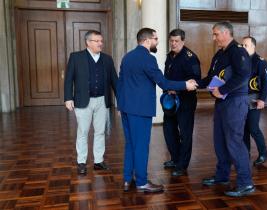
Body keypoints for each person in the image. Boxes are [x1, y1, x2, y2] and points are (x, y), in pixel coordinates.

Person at [117, 28, 197, 193]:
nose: (157, 42)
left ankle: (127, 179)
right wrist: (185, 85)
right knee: (141, 146)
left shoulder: (127, 57)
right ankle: (141, 182)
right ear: (147, 40)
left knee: (130, 144)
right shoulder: (148, 58)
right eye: (155, 39)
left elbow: (120, 84)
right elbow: (164, 83)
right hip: (140, 110)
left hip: (126, 108)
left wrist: (121, 106)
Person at [197, 22, 255, 197]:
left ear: (225, 33)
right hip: (222, 102)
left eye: (215, 34)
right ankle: (222, 176)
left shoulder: (238, 51)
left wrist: (222, 90)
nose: (214, 38)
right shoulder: (220, 54)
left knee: (234, 142)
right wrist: (193, 83)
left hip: (235, 102)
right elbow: (210, 78)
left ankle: (246, 183)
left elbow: (243, 75)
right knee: (220, 141)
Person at [64, 30, 118, 175]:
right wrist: (68, 98)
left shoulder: (107, 59)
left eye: (101, 41)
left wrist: (121, 99)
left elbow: (114, 80)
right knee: (83, 132)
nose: (101, 43)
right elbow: (69, 79)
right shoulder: (76, 57)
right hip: (83, 101)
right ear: (88, 42)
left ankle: (98, 161)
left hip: (102, 100)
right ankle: (81, 162)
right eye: (97, 41)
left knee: (100, 132)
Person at [162, 29, 201, 177]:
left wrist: (177, 90)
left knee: (185, 133)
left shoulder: (190, 58)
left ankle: (182, 164)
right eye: (171, 41)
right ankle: (175, 158)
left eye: (176, 41)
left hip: (186, 101)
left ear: (183, 41)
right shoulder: (170, 56)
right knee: (169, 131)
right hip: (170, 101)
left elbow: (195, 81)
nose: (173, 43)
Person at [242, 36, 267, 166]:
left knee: (253, 127)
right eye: (242, 45)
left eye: (246, 45)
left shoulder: (261, 62)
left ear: (253, 47)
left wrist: (262, 100)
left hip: (255, 98)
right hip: (241, 98)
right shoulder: (241, 60)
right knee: (243, 129)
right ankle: (245, 154)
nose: (243, 48)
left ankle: (263, 152)